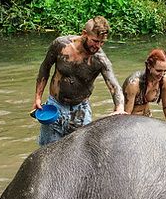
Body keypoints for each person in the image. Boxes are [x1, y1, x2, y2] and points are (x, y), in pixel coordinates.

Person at [33, 16, 125, 145]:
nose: (98, 46)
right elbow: (45, 68)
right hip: (54, 107)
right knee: (47, 152)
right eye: (95, 41)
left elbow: (114, 86)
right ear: (84, 34)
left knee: (80, 155)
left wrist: (119, 107)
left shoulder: (100, 60)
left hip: (80, 110)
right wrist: (38, 97)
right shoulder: (61, 45)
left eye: (102, 42)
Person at [122, 48, 166, 125]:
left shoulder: (165, 80)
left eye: (165, 70)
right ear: (149, 66)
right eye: (158, 71)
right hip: (132, 121)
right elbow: (126, 116)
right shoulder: (134, 84)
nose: (162, 74)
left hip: (147, 118)